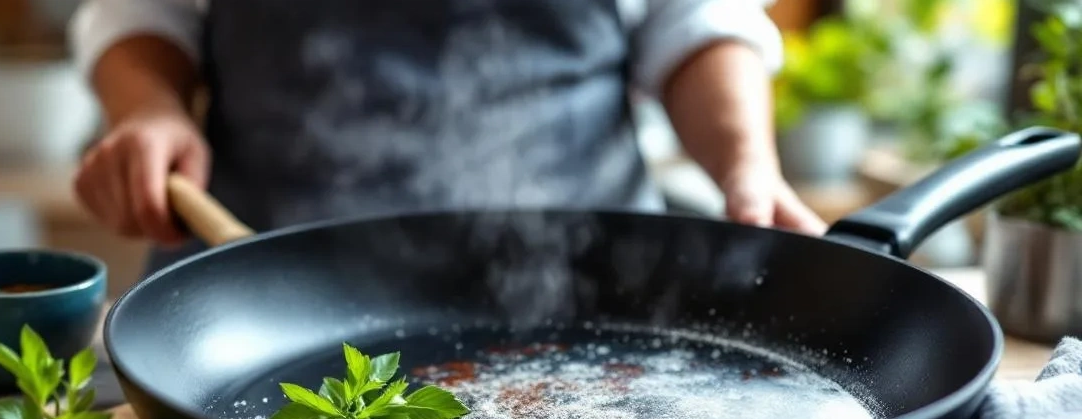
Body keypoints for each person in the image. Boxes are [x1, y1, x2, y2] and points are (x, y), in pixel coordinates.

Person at [69, 0, 827, 277]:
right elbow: (141, 14)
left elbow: (693, 22)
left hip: (591, 278)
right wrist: (149, 111)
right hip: (262, 276)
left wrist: (747, 166)